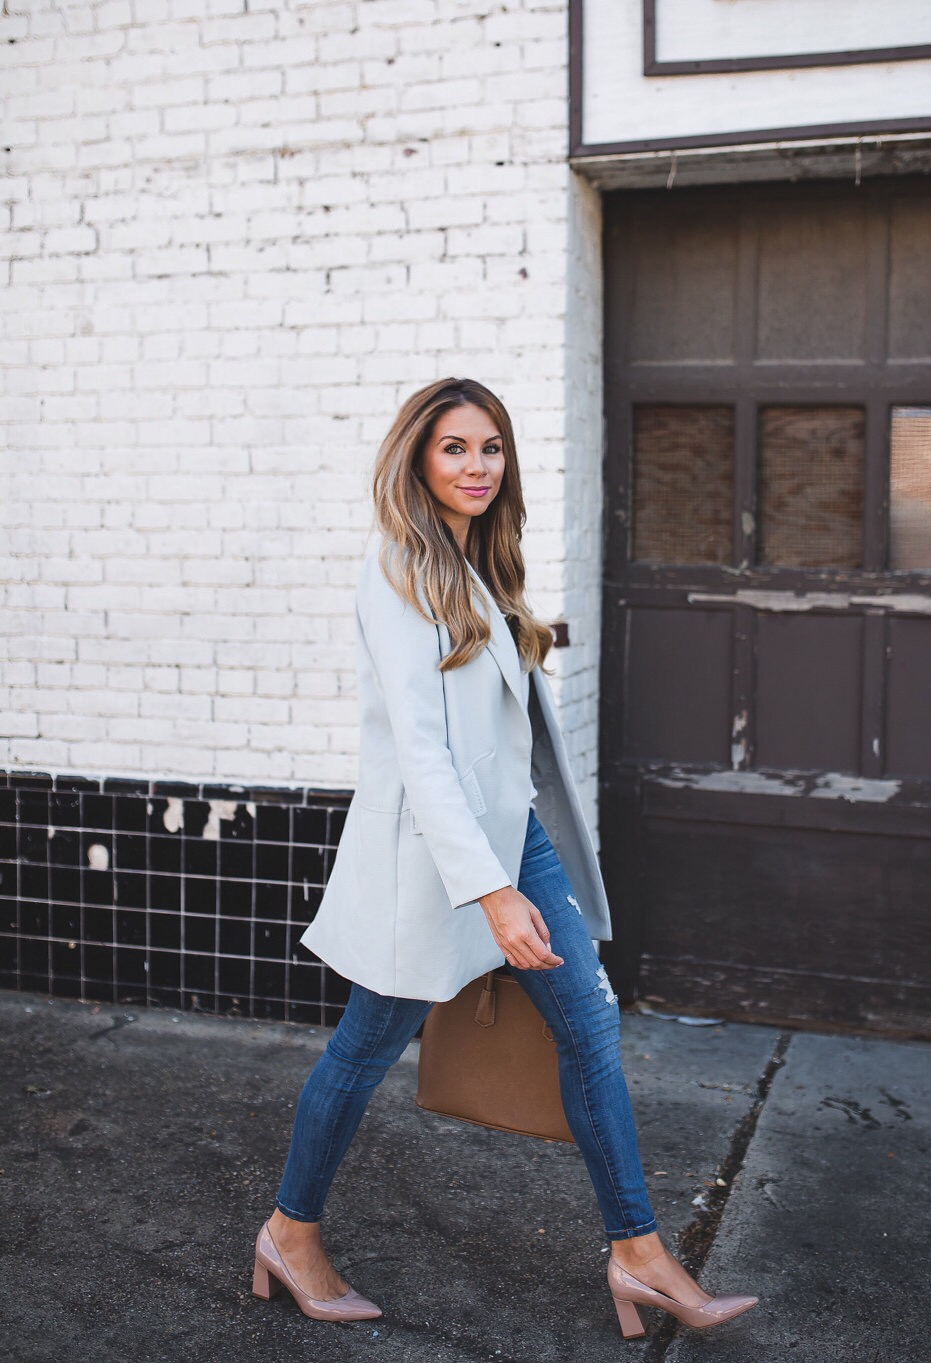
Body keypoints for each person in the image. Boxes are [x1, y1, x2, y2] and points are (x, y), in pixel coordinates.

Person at [251, 378, 758, 1339]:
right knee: (364, 1048)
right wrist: (487, 889)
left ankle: (640, 1253)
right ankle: (288, 1231)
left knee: (590, 1023)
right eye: (455, 448)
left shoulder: (478, 556)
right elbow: (421, 747)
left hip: (511, 835)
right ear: (418, 458)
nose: (477, 466)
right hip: (434, 858)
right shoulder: (398, 564)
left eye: (491, 448)